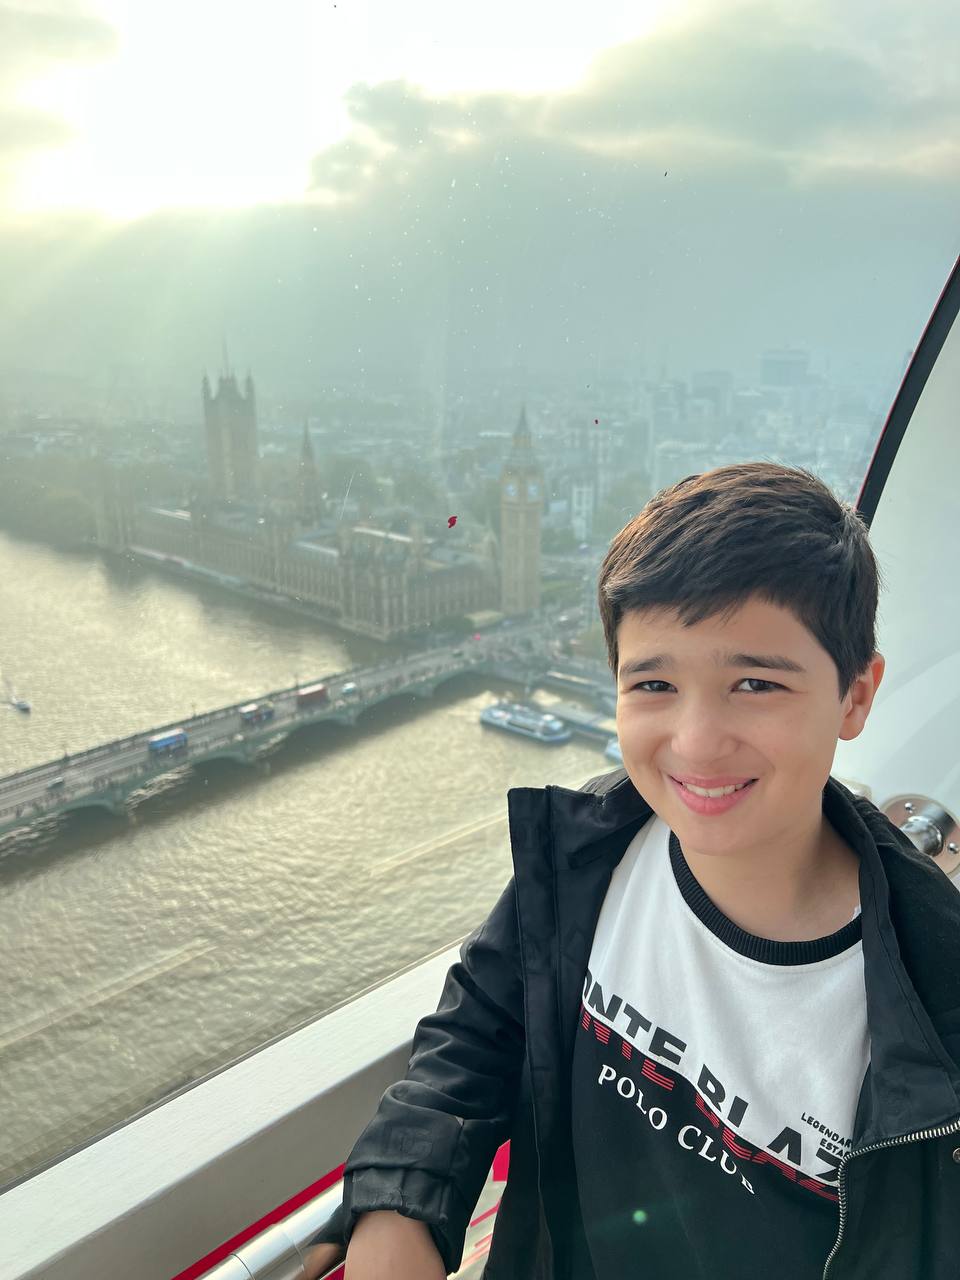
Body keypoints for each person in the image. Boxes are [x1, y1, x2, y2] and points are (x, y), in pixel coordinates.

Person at [303, 462, 960, 1279]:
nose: (696, 741)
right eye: (654, 683)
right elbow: (476, 1031)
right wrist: (398, 1208)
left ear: (855, 697)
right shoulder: (591, 852)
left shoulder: (936, 996)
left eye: (755, 683)